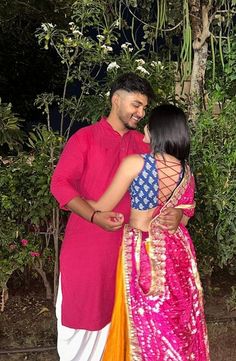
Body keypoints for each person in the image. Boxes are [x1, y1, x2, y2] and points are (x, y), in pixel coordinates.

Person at [50, 73, 184, 361]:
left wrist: (179, 215)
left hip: (133, 254)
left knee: (128, 323)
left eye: (144, 108)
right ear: (115, 100)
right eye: (136, 105)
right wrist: (95, 215)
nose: (140, 113)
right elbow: (60, 183)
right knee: (82, 319)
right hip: (87, 249)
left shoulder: (146, 145)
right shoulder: (85, 138)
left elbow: (174, 188)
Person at [88, 104, 210, 360]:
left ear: (157, 131)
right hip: (177, 253)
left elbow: (102, 206)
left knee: (144, 320)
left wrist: (74, 199)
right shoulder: (186, 172)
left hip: (143, 250)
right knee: (174, 318)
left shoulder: (136, 163)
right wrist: (177, 216)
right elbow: (184, 219)